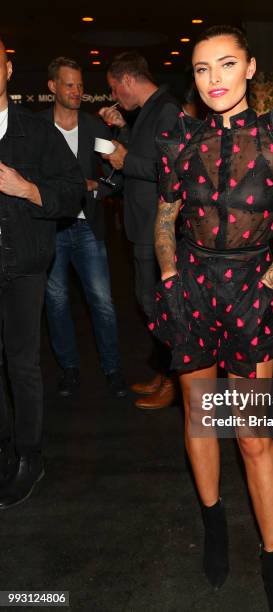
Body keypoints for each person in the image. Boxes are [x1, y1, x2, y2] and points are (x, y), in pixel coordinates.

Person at [153, 25, 273, 611]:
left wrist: (267, 287)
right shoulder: (179, 139)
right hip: (192, 289)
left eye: (225, 65)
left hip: (253, 290)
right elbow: (164, 219)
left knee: (252, 437)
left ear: (249, 69)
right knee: (200, 419)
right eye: (201, 69)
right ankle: (215, 524)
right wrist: (170, 279)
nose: (214, 79)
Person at [0, 40, 85, 508]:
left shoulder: (36, 132)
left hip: (25, 266)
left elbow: (72, 193)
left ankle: (30, 456)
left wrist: (27, 188)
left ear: (8, 69)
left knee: (22, 363)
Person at [98, 52, 181, 409]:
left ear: (128, 80)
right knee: (151, 304)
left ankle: (177, 382)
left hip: (156, 227)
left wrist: (123, 160)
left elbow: (171, 168)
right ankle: (165, 374)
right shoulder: (149, 110)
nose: (116, 97)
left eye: (116, 89)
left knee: (158, 306)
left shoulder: (166, 109)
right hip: (143, 223)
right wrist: (121, 130)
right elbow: (147, 151)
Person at [41, 57, 127, 398]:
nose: (77, 91)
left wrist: (98, 188)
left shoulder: (93, 128)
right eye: (69, 85)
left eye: (79, 85)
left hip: (88, 228)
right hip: (51, 229)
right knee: (57, 304)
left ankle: (113, 369)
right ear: (53, 87)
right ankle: (69, 370)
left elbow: (117, 170)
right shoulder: (38, 129)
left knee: (102, 303)